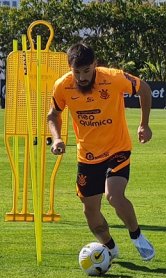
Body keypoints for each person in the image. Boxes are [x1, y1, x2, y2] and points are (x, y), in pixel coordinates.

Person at [47, 43, 155, 261]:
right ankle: (110, 248)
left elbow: (143, 88)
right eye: (77, 72)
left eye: (86, 71)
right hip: (87, 155)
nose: (82, 77)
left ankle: (137, 236)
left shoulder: (113, 78)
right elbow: (53, 115)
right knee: (90, 210)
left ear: (95, 65)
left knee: (114, 195)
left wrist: (144, 124)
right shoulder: (62, 86)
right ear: (70, 69)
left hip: (118, 148)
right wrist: (57, 138)